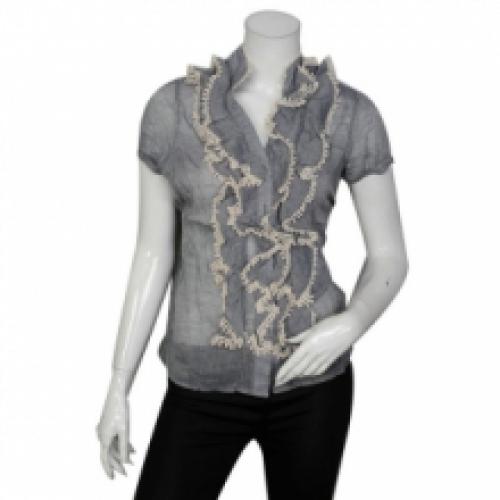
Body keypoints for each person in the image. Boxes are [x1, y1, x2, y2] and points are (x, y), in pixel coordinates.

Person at [96, 9, 408, 500]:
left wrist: (352, 322)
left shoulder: (350, 113)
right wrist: (119, 383)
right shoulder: (174, 109)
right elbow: (153, 250)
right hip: (202, 379)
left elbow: (389, 255)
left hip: (312, 377)